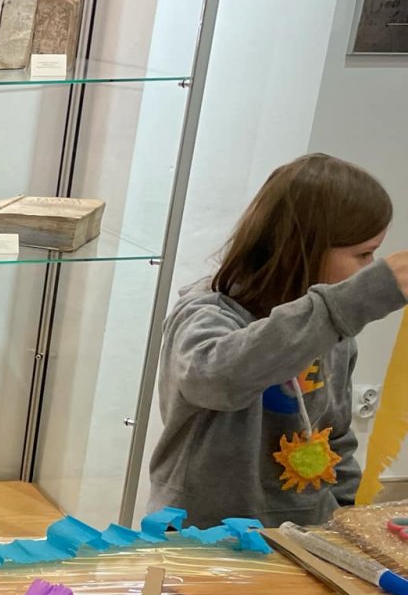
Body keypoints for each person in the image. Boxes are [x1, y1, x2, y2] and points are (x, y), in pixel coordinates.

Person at [151, 153, 408, 527]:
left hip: (302, 533)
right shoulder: (207, 313)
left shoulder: (334, 333)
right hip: (202, 537)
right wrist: (351, 302)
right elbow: (217, 379)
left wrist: (349, 516)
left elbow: (335, 435)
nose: (369, 268)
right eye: (363, 254)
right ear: (302, 248)